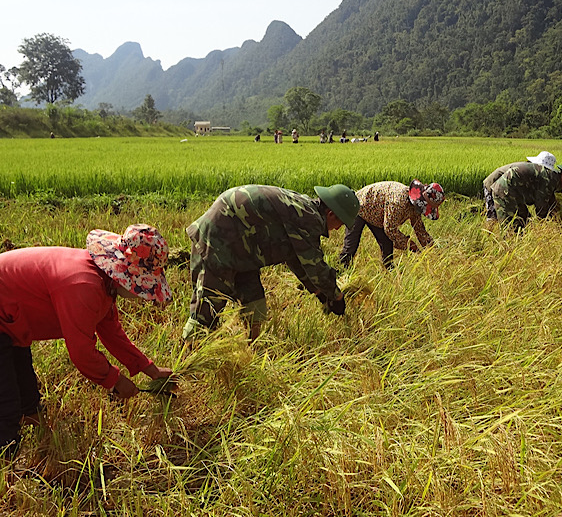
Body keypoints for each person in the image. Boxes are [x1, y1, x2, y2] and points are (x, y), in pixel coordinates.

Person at [0, 224, 174, 457]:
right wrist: (115, 381)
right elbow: (81, 351)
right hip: (3, 319)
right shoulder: (84, 286)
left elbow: (112, 332)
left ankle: (35, 433)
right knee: (6, 407)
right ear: (127, 276)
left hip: (10, 324)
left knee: (26, 393)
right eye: (144, 288)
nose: (144, 296)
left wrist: (148, 368)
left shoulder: (102, 283)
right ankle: (9, 465)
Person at [183, 184, 360, 342]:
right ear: (331, 214)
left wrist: (320, 293)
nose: (338, 229)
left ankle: (251, 352)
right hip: (220, 238)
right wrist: (336, 296)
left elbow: (296, 260)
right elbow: (315, 266)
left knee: (254, 304)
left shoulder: (305, 210)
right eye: (341, 223)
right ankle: (186, 363)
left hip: (244, 247)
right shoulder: (308, 218)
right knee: (208, 307)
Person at [340, 180, 445, 269]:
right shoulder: (398, 202)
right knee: (351, 245)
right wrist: (408, 243)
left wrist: (432, 250)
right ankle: (342, 271)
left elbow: (419, 229)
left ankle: (389, 272)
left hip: (376, 213)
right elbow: (390, 229)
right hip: (360, 205)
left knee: (387, 244)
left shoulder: (415, 207)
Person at [491, 162, 562, 231]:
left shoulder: (553, 178)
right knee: (510, 226)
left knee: (523, 220)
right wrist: (547, 228)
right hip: (505, 191)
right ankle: (505, 251)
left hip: (516, 193)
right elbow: (541, 208)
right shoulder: (549, 180)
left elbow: (551, 202)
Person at [482, 152, 556, 221]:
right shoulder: (527, 169)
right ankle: (490, 231)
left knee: (522, 216)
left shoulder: (534, 172)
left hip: (510, 190)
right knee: (495, 215)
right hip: (492, 185)